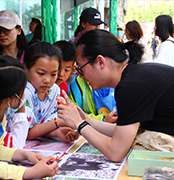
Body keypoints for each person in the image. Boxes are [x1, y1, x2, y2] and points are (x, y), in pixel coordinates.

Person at [57, 29, 174, 162]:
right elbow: (121, 134)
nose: (79, 75)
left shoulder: (130, 87)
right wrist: (84, 119)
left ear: (100, 62)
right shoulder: (132, 77)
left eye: (80, 68)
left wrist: (79, 124)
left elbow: (116, 152)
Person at [23, 41, 78, 142]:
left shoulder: (54, 90)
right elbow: (25, 133)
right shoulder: (24, 92)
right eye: (41, 73)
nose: (47, 80)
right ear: (26, 68)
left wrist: (56, 132)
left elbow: (42, 126)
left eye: (53, 74)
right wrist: (58, 122)